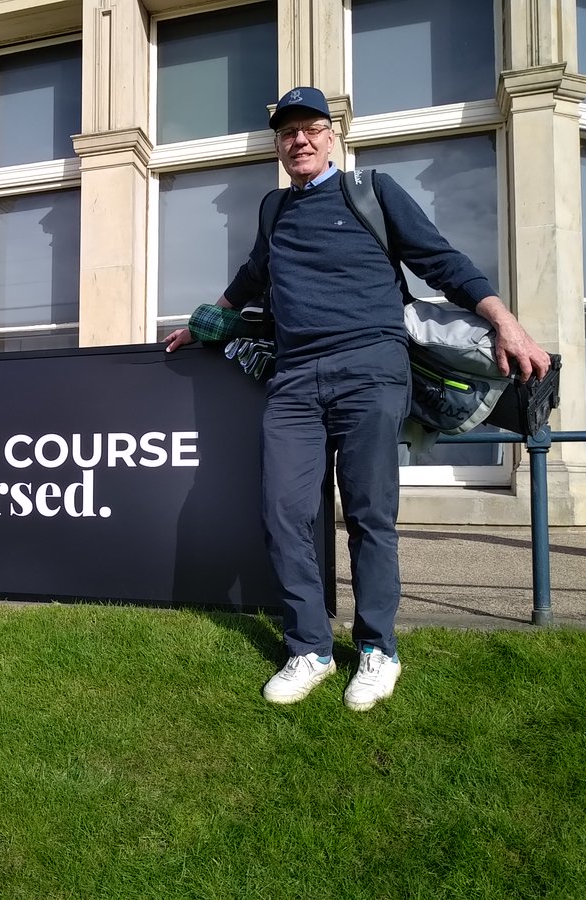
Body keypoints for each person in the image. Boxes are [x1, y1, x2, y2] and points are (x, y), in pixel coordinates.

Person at [166, 87, 551, 711]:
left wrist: (504, 320)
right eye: (288, 132)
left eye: (311, 129)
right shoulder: (273, 209)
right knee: (282, 510)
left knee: (370, 515)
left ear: (332, 136)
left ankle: (377, 648)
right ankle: (309, 649)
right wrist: (204, 321)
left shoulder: (370, 191)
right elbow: (252, 275)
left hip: (371, 368)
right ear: (278, 145)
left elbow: (441, 261)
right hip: (295, 378)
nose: (300, 140)